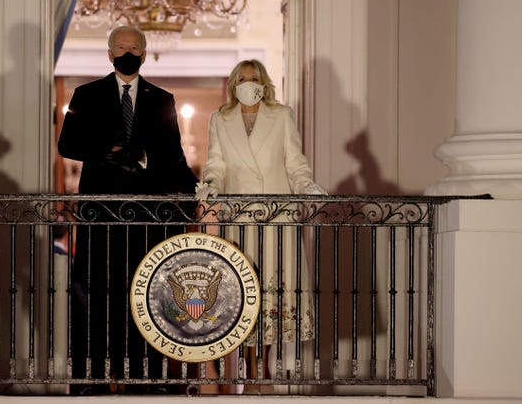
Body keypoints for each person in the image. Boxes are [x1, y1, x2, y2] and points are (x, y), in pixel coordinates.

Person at [57, 25, 198, 394]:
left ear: (145, 52)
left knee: (145, 295)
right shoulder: (85, 95)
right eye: (121, 46)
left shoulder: (162, 98)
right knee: (99, 295)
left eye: (134, 47)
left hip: (148, 220)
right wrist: (107, 151)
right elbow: (67, 143)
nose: (127, 52)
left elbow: (174, 156)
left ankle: (146, 376)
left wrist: (195, 194)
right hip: (101, 215)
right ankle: (95, 378)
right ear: (109, 53)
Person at [195, 59, 327, 391]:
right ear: (233, 83)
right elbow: (216, 163)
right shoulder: (220, 119)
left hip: (277, 218)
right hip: (240, 219)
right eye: (242, 78)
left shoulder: (282, 115)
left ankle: (263, 372)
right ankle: (249, 370)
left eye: (254, 77)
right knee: (245, 291)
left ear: (264, 82)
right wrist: (210, 184)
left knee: (273, 291)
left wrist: (306, 187)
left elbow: (295, 162)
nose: (249, 83)